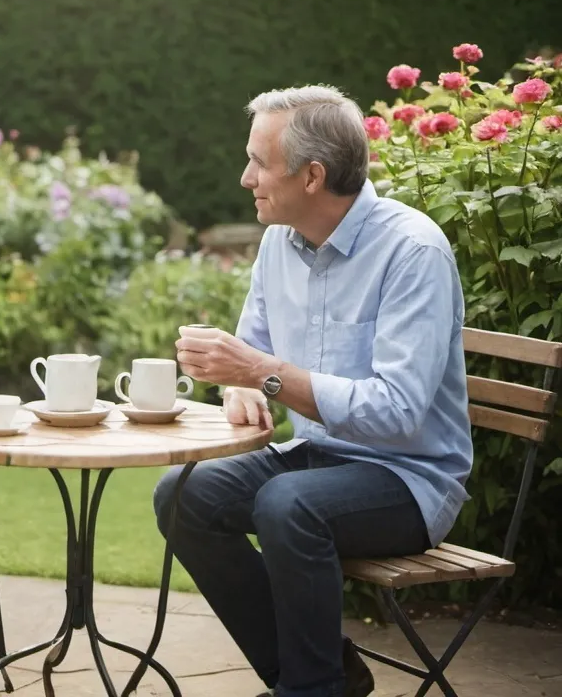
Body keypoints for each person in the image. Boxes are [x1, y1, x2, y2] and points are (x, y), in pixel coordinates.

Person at [154, 85, 473, 697]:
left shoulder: (412, 251)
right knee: (182, 494)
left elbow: (399, 413)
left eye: (259, 162)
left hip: (408, 479)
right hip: (319, 459)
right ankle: (323, 676)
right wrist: (240, 392)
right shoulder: (280, 241)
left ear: (312, 176)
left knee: (287, 504)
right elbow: (256, 349)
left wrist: (265, 376)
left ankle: (310, 687)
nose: (246, 177)